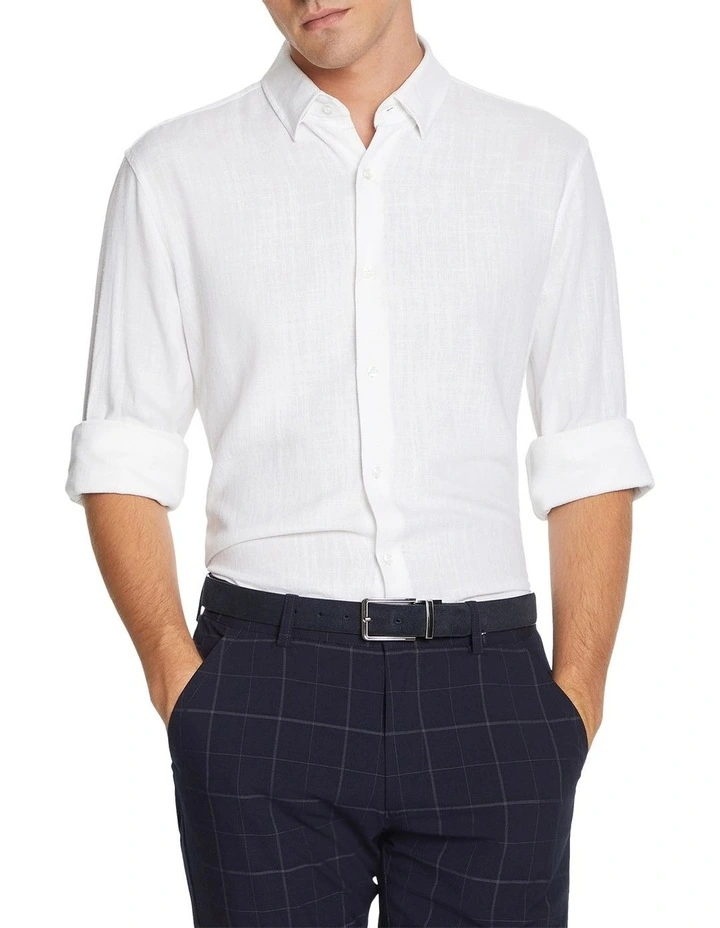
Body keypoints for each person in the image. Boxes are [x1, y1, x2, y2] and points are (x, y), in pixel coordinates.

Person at [64, 1, 655, 925]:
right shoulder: (172, 171)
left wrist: (576, 698)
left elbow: (586, 452)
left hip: (488, 692)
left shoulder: (543, 163)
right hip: (262, 685)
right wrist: (180, 686)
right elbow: (124, 452)